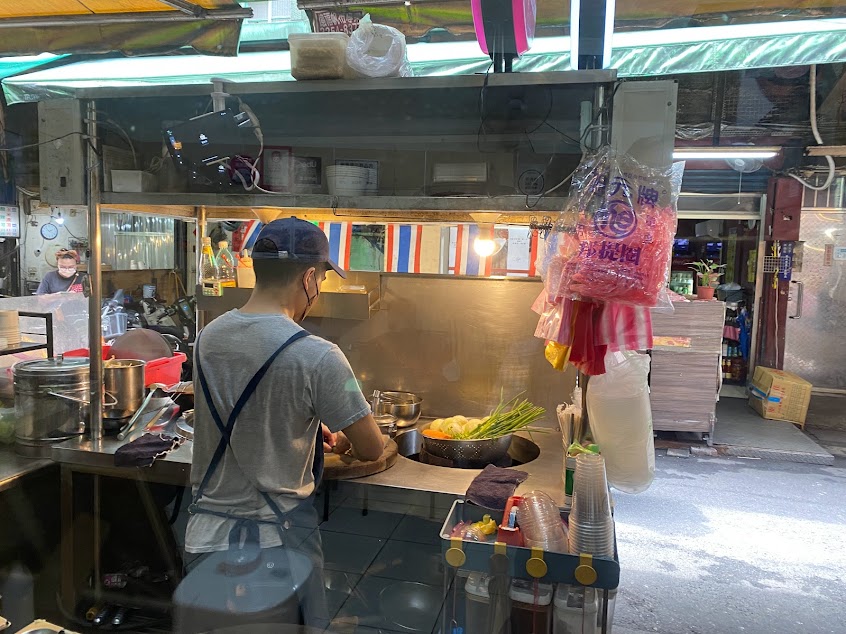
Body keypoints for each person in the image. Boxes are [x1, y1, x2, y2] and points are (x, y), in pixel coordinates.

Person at [176, 217, 384, 631]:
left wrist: (304, 426)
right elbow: (372, 447)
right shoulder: (320, 355)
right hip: (279, 549)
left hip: (206, 541)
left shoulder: (207, 338)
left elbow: (243, 412)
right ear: (308, 278)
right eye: (321, 279)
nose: (318, 289)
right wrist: (342, 436)